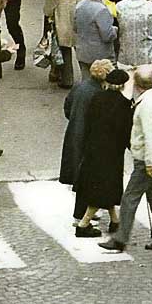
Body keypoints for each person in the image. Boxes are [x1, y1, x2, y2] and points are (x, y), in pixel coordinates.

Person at [99, 66, 152, 253]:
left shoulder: (146, 105)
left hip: (147, 159)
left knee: (129, 198)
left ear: (137, 83)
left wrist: (148, 163)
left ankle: (120, 239)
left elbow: (150, 136)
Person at [74, 66, 131, 236]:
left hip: (93, 148)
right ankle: (83, 225)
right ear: (122, 86)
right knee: (102, 188)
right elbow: (126, 131)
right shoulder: (124, 104)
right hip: (112, 153)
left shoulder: (97, 98)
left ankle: (115, 221)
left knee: (105, 185)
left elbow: (89, 121)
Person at [60, 58, 113, 234]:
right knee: (87, 177)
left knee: (81, 175)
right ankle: (80, 216)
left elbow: (67, 107)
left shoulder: (80, 87)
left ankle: (87, 211)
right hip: (88, 139)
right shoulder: (98, 94)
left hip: (74, 133)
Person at [73, 0, 117, 80]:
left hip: (82, 51)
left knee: (86, 81)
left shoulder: (79, 5)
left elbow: (75, 27)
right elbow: (107, 35)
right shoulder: (102, 10)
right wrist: (115, 30)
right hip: (100, 55)